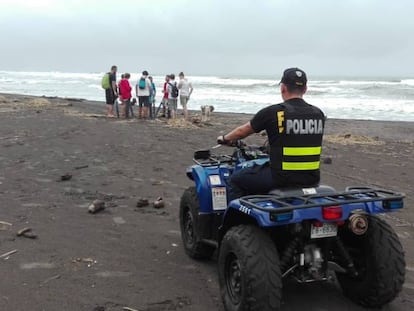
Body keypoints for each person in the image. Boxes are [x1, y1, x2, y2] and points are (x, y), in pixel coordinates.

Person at [217, 68, 325, 201]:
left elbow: (241, 132)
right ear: (305, 89)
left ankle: (234, 221)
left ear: (283, 88)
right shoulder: (318, 114)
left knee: (236, 179)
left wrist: (224, 138)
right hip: (311, 178)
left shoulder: (273, 112)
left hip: (280, 178)